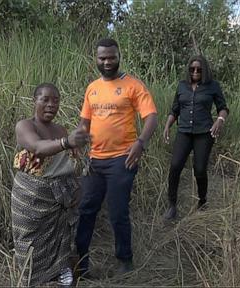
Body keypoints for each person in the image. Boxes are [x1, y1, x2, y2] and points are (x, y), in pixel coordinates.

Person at [75, 38, 158, 276]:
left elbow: (151, 117)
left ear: (118, 56)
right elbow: (84, 123)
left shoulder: (133, 85)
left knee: (117, 210)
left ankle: (125, 261)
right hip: (95, 160)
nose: (107, 62)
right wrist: (76, 140)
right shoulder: (92, 88)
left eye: (111, 57)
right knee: (86, 209)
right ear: (96, 59)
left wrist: (140, 143)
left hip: (123, 158)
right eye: (102, 58)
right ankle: (81, 263)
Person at [11, 83, 89, 286]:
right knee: (29, 237)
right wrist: (66, 142)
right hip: (31, 195)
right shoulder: (25, 126)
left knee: (60, 236)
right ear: (34, 101)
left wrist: (76, 186)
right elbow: (38, 147)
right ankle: (32, 276)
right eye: (45, 99)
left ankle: (61, 272)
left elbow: (69, 163)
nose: (50, 105)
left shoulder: (60, 129)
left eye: (55, 100)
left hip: (58, 196)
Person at [163, 55, 229, 220]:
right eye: (192, 69)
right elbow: (175, 110)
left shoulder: (213, 86)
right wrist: (167, 126)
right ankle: (172, 205)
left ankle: (202, 201)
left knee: (199, 169)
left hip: (204, 134)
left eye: (199, 69)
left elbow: (223, 108)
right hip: (184, 132)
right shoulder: (182, 86)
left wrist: (220, 120)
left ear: (204, 70)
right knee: (175, 166)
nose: (195, 72)